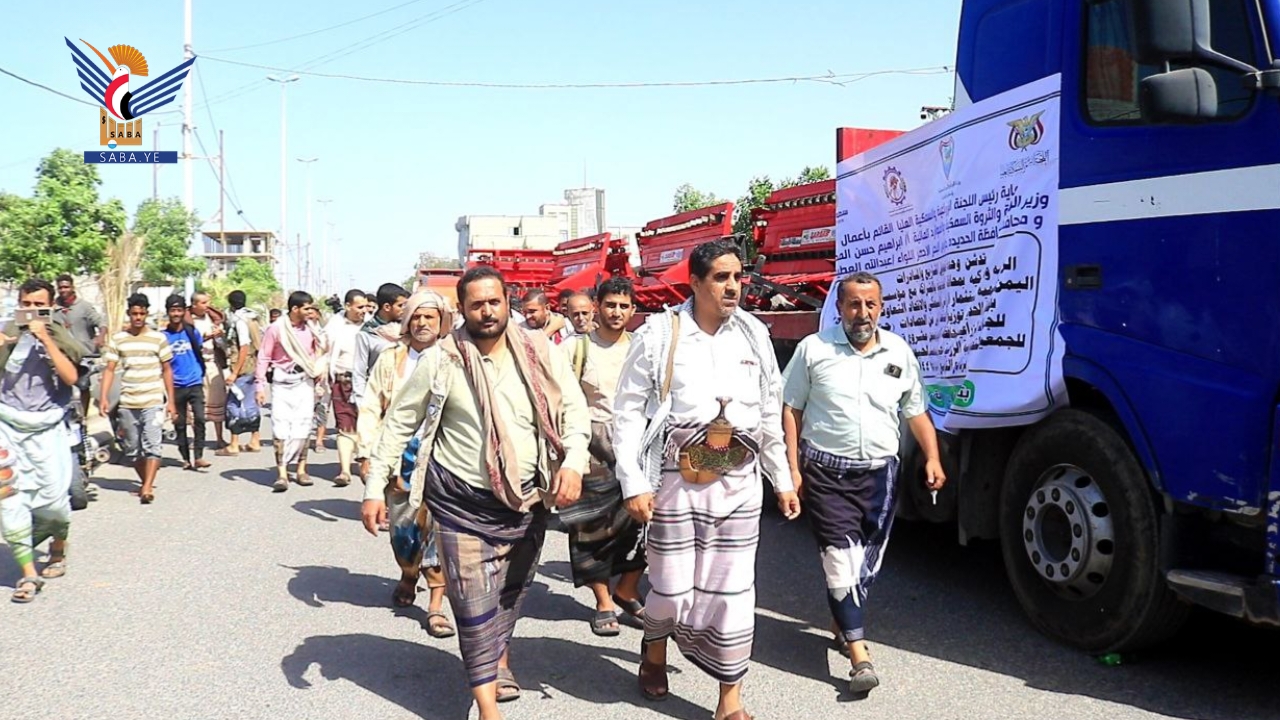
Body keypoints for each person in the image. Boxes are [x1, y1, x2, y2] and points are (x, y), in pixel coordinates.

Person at [361, 266, 589, 720]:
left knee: (508, 594)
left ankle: (497, 659)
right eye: (476, 304)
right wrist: (373, 487)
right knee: (470, 603)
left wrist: (574, 462)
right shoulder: (442, 360)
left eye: (494, 302)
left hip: (526, 503)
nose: (487, 311)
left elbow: (574, 411)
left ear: (507, 303)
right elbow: (398, 424)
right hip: (459, 501)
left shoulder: (541, 350)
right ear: (461, 310)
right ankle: (487, 707)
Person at [613, 239, 801, 720]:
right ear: (695, 283)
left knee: (733, 594)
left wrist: (781, 478)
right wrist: (633, 482)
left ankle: (729, 700)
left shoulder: (754, 335)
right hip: (675, 484)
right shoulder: (660, 335)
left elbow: (768, 412)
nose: (733, 286)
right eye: (721, 278)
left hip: (739, 486)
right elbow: (628, 412)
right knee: (670, 591)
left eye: (738, 277)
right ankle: (655, 652)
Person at [781, 271, 945, 694]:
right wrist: (792, 468)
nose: (863, 312)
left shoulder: (898, 351)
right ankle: (859, 656)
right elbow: (791, 409)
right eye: (854, 304)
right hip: (825, 473)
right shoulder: (814, 349)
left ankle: (842, 619)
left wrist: (932, 456)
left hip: (880, 475)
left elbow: (915, 410)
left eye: (870, 304)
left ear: (881, 307)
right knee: (839, 560)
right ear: (839, 308)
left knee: (866, 563)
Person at [356, 291, 455, 638]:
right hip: (399, 457)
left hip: (443, 456)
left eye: (430, 317)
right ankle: (408, 574)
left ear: (442, 322)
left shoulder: (453, 357)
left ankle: (436, 603)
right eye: (417, 317)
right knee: (403, 531)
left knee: (440, 528)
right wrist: (367, 455)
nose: (423, 323)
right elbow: (371, 406)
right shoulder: (390, 358)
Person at [559, 277, 645, 636]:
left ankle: (626, 590)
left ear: (633, 310)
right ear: (598, 307)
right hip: (590, 447)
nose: (617, 312)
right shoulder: (575, 348)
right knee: (591, 529)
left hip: (636, 446)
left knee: (643, 525)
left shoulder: (642, 347)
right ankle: (603, 601)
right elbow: (559, 399)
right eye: (610, 304)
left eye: (624, 306)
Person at [0, 279, 83, 601]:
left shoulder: (59, 335)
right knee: (8, 498)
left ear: (50, 307)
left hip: (47, 429)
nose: (32, 310)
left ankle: (58, 548)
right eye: (26, 304)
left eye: (39, 305)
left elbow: (71, 377)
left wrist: (45, 339)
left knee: (54, 502)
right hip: (7, 425)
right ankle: (29, 575)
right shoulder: (8, 331)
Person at [100, 294, 176, 505]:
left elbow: (167, 369)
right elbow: (109, 369)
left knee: (153, 445)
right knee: (132, 449)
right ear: (129, 314)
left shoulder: (158, 338)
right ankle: (145, 481)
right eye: (134, 313)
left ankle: (147, 488)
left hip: (153, 400)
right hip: (128, 402)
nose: (138, 317)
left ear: (147, 314)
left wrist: (171, 401)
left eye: (142, 313)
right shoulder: (119, 339)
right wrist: (104, 397)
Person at [255, 292, 326, 492]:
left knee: (303, 425)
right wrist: (260, 386)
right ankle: (282, 473)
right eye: (306, 308)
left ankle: (302, 470)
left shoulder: (312, 329)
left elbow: (318, 353)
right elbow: (264, 356)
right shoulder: (276, 329)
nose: (310, 312)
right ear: (295, 309)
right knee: (281, 426)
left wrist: (319, 374)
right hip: (282, 382)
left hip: (304, 381)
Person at [323, 289, 368, 485]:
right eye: (359, 307)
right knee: (345, 426)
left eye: (366, 307)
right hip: (342, 381)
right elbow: (323, 351)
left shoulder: (371, 327)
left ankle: (365, 466)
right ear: (348, 306)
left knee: (366, 426)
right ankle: (345, 470)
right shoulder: (335, 326)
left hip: (367, 384)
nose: (363, 311)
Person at [161, 295, 210, 471]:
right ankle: (185, 458)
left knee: (200, 419)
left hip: (194, 382)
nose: (176, 314)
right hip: (175, 386)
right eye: (173, 310)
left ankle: (199, 456)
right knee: (179, 423)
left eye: (179, 310)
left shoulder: (191, 332)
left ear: (184, 311)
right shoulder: (163, 337)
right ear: (168, 312)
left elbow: (199, 349)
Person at [185, 292, 231, 456]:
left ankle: (219, 438)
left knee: (217, 399)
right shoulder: (186, 322)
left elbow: (222, 342)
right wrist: (206, 338)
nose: (207, 306)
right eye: (203, 303)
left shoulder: (212, 318)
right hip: (195, 364)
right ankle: (197, 438)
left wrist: (219, 336)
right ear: (194, 304)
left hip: (213, 364)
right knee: (195, 402)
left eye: (207, 302)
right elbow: (188, 342)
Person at [351, 283, 409, 405]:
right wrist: (361, 403)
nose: (404, 309)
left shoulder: (407, 330)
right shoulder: (367, 334)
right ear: (387, 307)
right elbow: (359, 371)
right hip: (377, 397)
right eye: (400, 306)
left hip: (403, 396)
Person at [223, 290, 263, 454]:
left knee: (234, 404)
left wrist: (234, 372)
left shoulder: (239, 322)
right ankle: (255, 440)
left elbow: (244, 347)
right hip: (252, 365)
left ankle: (234, 444)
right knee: (251, 403)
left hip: (242, 367)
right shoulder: (252, 318)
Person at [53, 274, 105, 356]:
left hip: (86, 353)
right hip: (64, 355)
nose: (63, 290)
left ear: (72, 288)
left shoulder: (84, 306)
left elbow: (101, 323)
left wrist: (101, 337)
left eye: (66, 287)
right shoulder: (53, 308)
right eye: (60, 288)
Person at [305, 305, 333, 455]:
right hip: (304, 375)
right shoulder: (299, 332)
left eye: (312, 313)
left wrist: (322, 367)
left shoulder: (324, 332)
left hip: (323, 374)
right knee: (306, 409)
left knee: (322, 408)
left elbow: (328, 350)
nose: (309, 315)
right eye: (307, 313)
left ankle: (319, 440)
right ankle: (303, 440)